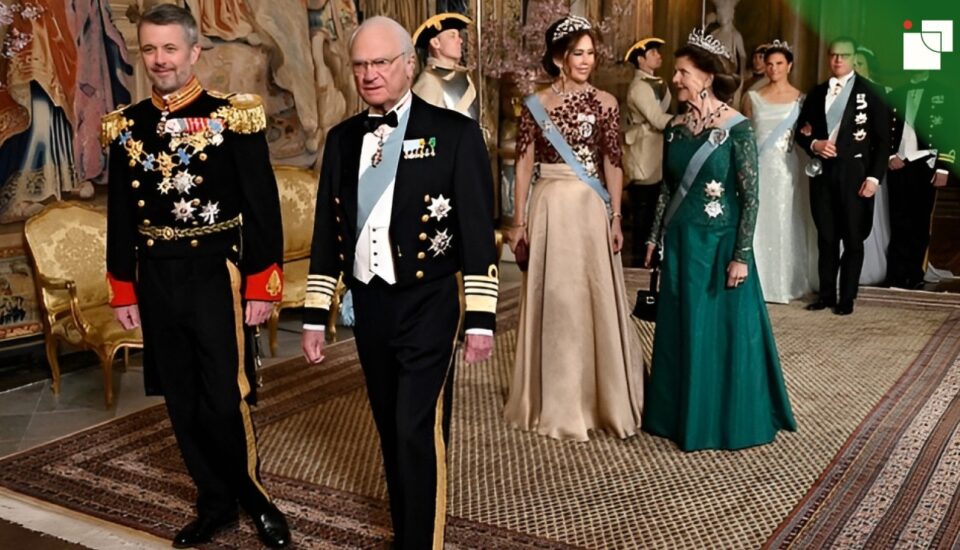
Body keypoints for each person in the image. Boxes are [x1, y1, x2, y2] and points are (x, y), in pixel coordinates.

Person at [300, 16, 497, 549]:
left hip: (429, 302)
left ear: (409, 64)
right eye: (360, 64)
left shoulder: (454, 134)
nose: (369, 74)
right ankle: (407, 528)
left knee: (416, 427)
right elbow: (328, 232)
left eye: (380, 62)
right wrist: (317, 312)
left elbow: (478, 232)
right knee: (390, 428)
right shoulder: (341, 140)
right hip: (371, 305)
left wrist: (480, 319)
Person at [102, 5, 289, 548]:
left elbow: (262, 209)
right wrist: (122, 287)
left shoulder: (233, 117)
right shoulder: (127, 125)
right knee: (181, 399)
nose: (159, 60)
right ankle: (213, 503)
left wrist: (261, 285)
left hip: (215, 276)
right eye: (150, 50)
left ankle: (255, 500)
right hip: (157, 276)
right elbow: (120, 215)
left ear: (193, 51)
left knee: (223, 396)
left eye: (170, 49)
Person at [642, 28, 796, 451]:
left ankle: (721, 418)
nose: (676, 80)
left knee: (721, 334)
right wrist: (655, 237)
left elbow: (752, 196)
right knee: (680, 331)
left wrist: (742, 254)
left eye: (683, 73)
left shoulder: (736, 128)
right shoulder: (674, 128)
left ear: (707, 77)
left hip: (719, 247)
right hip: (681, 246)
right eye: (676, 72)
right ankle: (676, 415)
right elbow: (667, 190)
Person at [502, 15, 644, 442]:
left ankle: (602, 398)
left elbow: (612, 164)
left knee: (593, 297)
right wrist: (518, 220)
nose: (587, 60)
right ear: (560, 58)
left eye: (591, 53)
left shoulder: (606, 103)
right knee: (558, 300)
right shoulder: (535, 104)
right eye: (578, 53)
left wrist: (616, 216)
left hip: (589, 209)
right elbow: (523, 165)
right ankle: (556, 400)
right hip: (548, 208)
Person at [795, 36, 889, 315]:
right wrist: (814, 145)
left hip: (856, 176)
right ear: (828, 57)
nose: (838, 60)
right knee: (826, 237)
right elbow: (802, 130)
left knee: (852, 238)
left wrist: (874, 179)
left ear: (853, 58)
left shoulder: (872, 92)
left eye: (844, 55)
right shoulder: (816, 92)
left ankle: (847, 297)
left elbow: (883, 142)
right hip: (823, 175)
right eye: (834, 55)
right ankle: (825, 294)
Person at [742, 40, 814, 303]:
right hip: (759, 166)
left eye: (779, 64)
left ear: (789, 65)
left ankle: (784, 282)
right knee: (757, 217)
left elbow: (806, 135)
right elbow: (746, 136)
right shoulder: (751, 98)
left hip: (785, 168)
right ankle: (756, 280)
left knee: (785, 217)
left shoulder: (801, 98)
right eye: (769, 64)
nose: (773, 69)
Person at [886, 71, 954, 289]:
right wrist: (889, 156)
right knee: (897, 220)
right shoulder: (895, 93)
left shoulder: (946, 93)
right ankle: (896, 274)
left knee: (920, 220)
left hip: (927, 162)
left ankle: (915, 273)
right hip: (898, 163)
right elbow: (885, 129)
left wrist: (944, 168)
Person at [623, 36, 673, 266]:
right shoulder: (640, 87)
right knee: (644, 212)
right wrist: (685, 121)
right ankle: (641, 261)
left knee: (655, 208)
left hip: (659, 151)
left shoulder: (658, 82)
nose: (658, 56)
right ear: (641, 59)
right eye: (653, 53)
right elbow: (657, 119)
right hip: (644, 152)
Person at [852, 45, 892, 286]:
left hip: (870, 166)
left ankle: (869, 267)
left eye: (860, 64)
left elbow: (884, 136)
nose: (855, 69)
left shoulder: (880, 94)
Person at [411, 12, 478, 119]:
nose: (460, 41)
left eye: (459, 36)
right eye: (452, 36)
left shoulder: (463, 75)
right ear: (435, 43)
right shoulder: (428, 81)